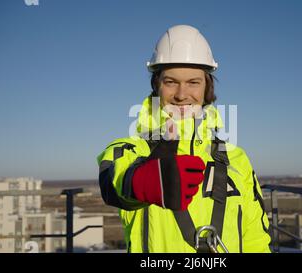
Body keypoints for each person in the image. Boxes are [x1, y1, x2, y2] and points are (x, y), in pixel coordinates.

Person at [97, 25, 271, 253]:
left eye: (193, 82)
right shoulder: (131, 149)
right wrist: (140, 181)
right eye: (170, 82)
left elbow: (255, 238)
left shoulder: (237, 159)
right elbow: (114, 182)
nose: (181, 94)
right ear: (156, 86)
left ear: (207, 86)